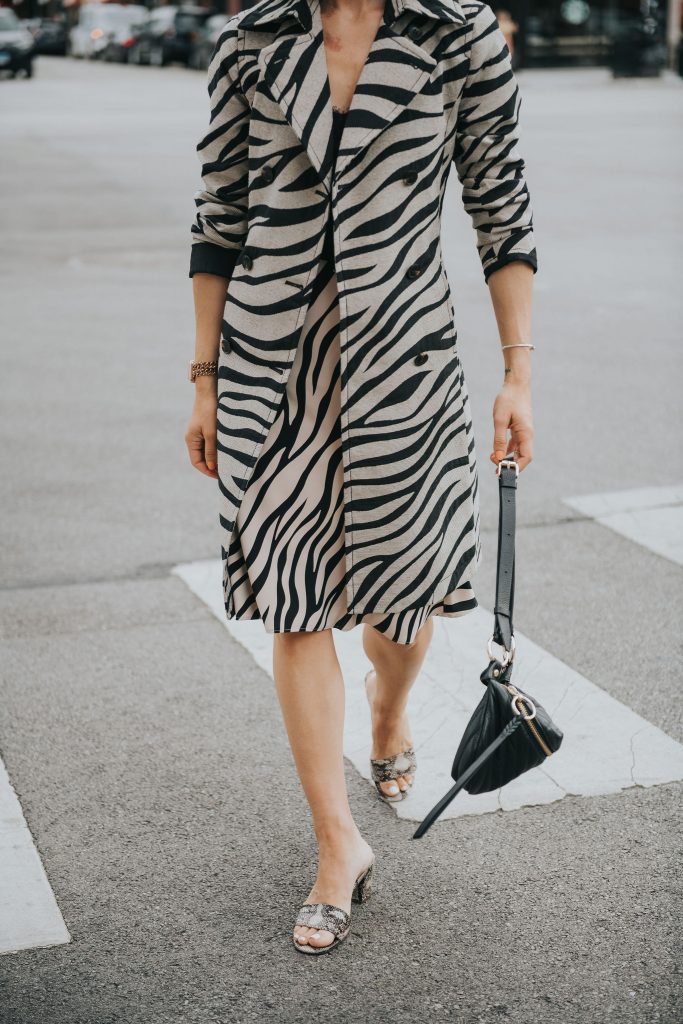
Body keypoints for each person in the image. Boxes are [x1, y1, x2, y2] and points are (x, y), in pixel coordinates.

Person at [185, 0, 537, 955]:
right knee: (296, 604)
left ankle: (387, 710)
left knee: (401, 605)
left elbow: (499, 203)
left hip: (403, 358)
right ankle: (336, 844)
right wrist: (206, 377)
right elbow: (220, 214)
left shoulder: (453, 30)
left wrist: (516, 372)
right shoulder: (252, 38)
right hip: (273, 361)